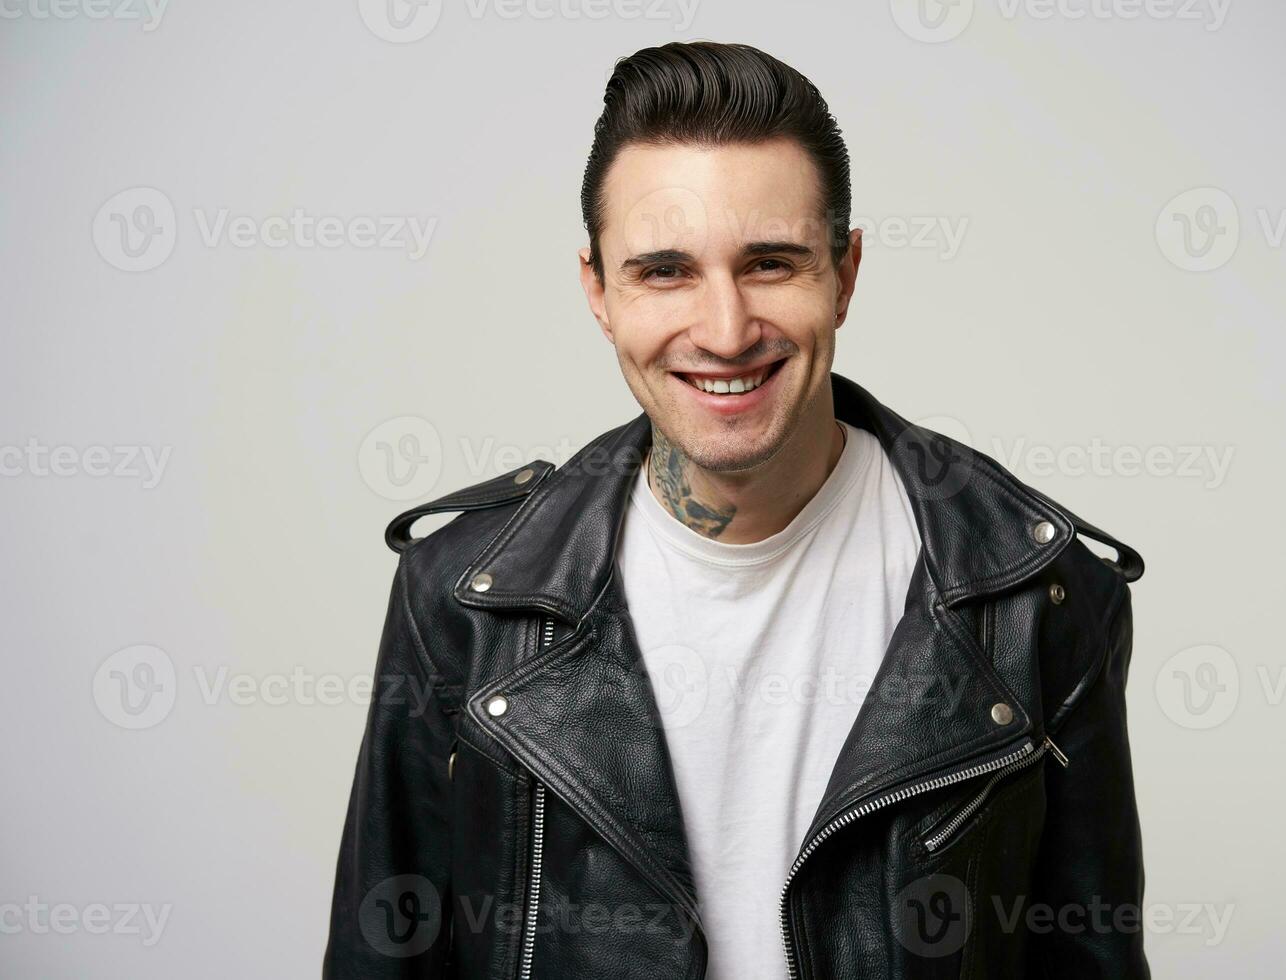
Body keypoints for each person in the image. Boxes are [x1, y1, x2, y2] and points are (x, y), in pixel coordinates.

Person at [325, 40, 1149, 980]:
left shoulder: (1034, 592)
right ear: (597, 290)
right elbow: (382, 953)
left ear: (845, 274)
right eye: (664, 271)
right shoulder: (464, 600)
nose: (723, 331)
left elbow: (1091, 961)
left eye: (770, 264)